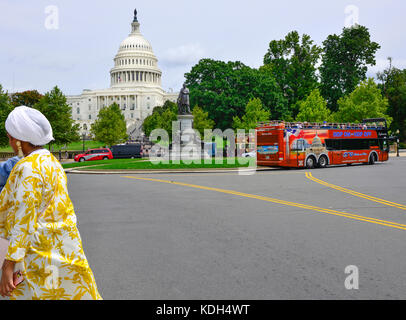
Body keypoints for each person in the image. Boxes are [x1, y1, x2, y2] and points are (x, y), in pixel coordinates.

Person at [0, 106, 101, 300]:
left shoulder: (28, 167)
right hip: (65, 247)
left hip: (37, 254)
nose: (10, 142)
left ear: (19, 141)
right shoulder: (53, 162)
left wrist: (9, 264)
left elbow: (24, 219)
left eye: (10, 137)